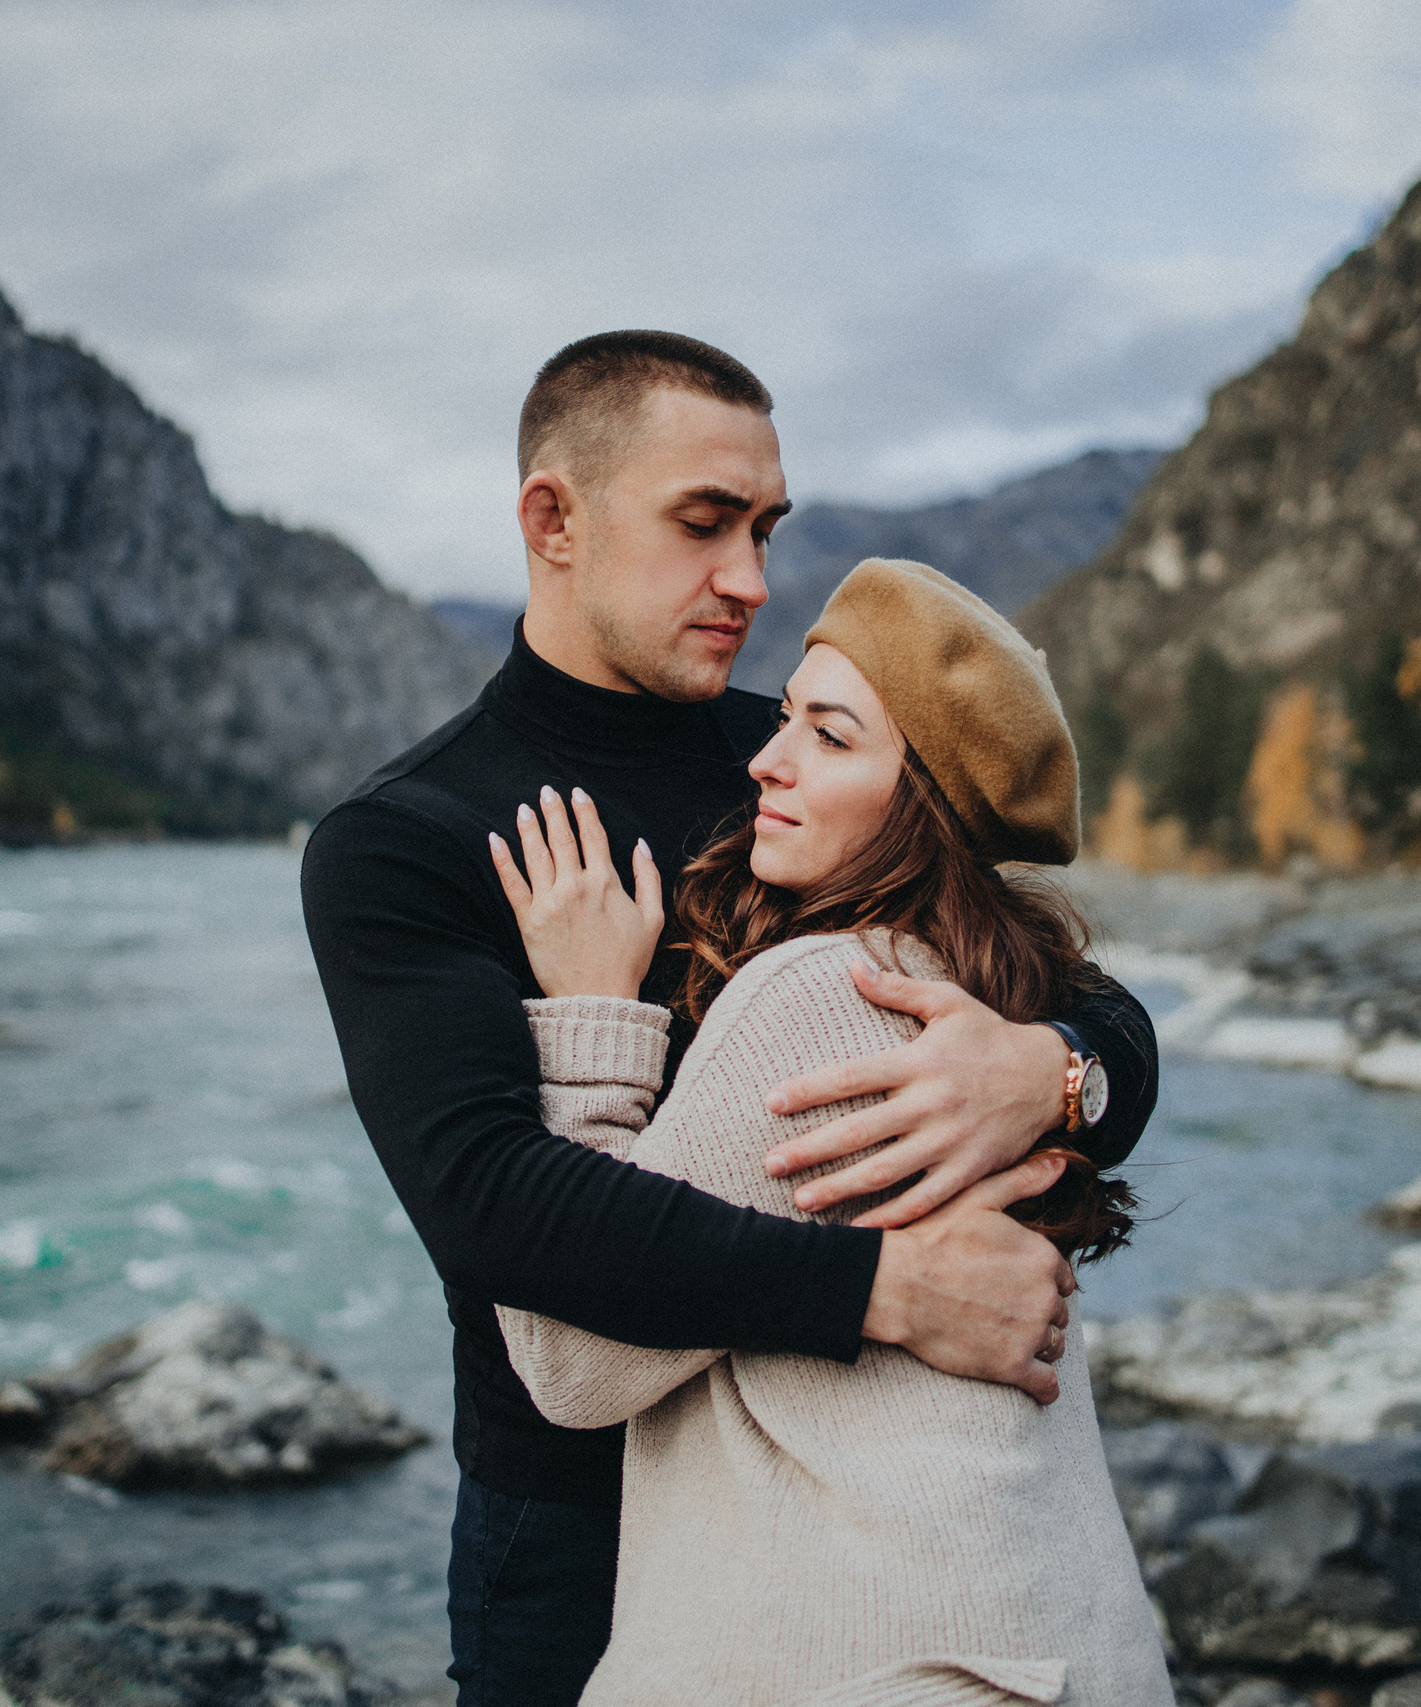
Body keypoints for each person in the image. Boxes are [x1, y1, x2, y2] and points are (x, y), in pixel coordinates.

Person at [299, 331, 1158, 1706]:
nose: (752, 580)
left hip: (848, 1494)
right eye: (705, 524)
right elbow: (493, 1203)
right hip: (568, 1511)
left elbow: (1081, 992)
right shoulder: (407, 837)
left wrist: (1050, 1072)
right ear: (551, 519)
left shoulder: (798, 764)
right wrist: (887, 1290)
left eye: (765, 528)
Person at [486, 557, 1174, 1706]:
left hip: (888, 1666)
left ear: (921, 806)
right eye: (786, 716)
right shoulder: (1004, 989)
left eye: (830, 735)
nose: (768, 756)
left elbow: (573, 1362)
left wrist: (588, 1022)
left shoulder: (820, 993)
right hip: (1061, 1643)